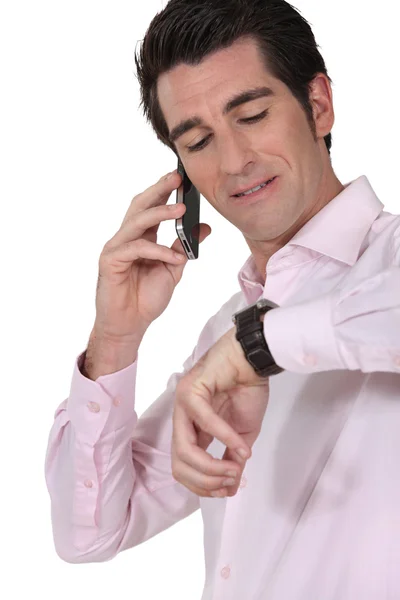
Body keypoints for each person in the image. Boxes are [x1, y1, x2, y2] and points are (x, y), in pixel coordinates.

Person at [44, 0, 400, 598]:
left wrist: (254, 348)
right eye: (200, 140)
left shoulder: (379, 269)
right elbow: (90, 534)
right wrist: (115, 339)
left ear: (317, 105)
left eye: (253, 115)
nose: (234, 162)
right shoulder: (221, 335)